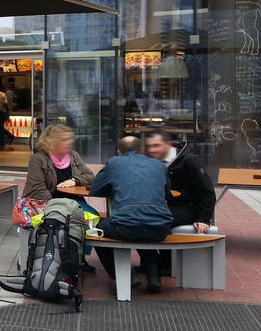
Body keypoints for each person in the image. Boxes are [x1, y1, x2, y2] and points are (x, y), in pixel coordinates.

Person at [89, 136, 175, 292]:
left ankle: (127, 276)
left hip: (126, 227)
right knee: (142, 221)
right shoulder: (159, 165)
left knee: (95, 229)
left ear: (119, 152)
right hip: (161, 228)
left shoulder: (115, 162)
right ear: (142, 151)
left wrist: (117, 186)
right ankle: (153, 276)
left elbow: (94, 189)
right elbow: (167, 193)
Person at [143, 129, 215, 233]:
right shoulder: (150, 161)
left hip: (185, 208)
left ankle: (164, 249)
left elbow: (207, 191)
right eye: (149, 146)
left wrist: (203, 219)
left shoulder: (189, 160)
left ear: (167, 145)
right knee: (134, 223)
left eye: (156, 145)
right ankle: (160, 249)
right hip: (159, 208)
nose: (152, 150)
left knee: (151, 225)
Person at [22, 124, 94, 201]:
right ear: (51, 142)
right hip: (46, 202)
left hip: (74, 201)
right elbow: (37, 189)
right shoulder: (38, 159)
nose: (69, 142)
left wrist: (74, 181)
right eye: (64, 140)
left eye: (70, 139)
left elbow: (90, 176)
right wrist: (58, 205)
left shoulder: (73, 155)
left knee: (92, 213)